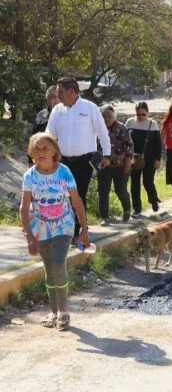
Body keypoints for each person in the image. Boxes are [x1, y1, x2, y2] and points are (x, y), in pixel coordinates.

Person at [20, 133, 90, 331]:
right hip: (40, 228)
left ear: (54, 152)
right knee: (49, 268)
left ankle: (64, 311)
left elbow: (76, 202)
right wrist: (29, 237)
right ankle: (53, 312)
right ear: (32, 153)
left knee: (58, 264)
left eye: (44, 148)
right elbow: (24, 209)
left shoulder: (64, 172)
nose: (40, 152)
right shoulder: (30, 176)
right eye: (37, 149)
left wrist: (84, 229)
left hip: (64, 225)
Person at [45, 76, 111, 240]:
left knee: (78, 194)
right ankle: (69, 226)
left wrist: (107, 155)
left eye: (60, 91)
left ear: (72, 91)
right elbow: (49, 135)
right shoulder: (57, 110)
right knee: (63, 195)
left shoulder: (90, 108)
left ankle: (78, 229)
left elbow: (102, 133)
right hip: (64, 161)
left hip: (85, 160)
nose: (57, 95)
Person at [97, 106, 133, 225]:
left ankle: (127, 209)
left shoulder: (121, 128)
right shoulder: (97, 129)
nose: (107, 119)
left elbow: (129, 146)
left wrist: (128, 162)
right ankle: (105, 217)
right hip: (103, 166)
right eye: (104, 116)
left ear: (114, 117)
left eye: (109, 116)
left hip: (120, 165)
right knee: (103, 191)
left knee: (120, 190)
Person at [125, 102, 162, 216]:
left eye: (143, 114)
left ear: (147, 112)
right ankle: (137, 208)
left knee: (148, 182)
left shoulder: (153, 124)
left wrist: (158, 159)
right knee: (135, 183)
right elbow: (125, 140)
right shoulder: (130, 122)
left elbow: (158, 144)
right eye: (138, 114)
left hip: (150, 158)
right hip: (134, 158)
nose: (141, 117)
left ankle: (154, 200)